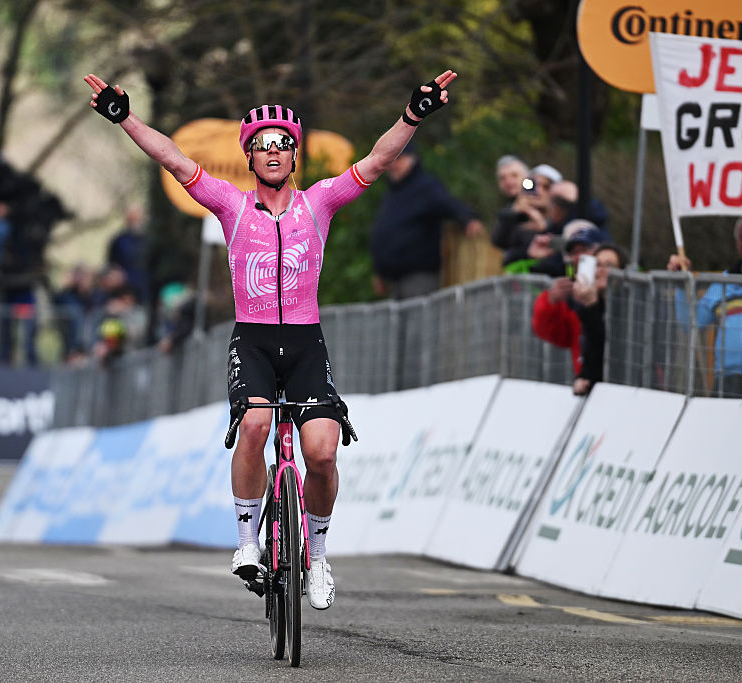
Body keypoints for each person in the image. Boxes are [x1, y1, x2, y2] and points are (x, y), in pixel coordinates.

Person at [84, 67, 458, 609]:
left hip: (306, 343)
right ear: (250, 157)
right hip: (254, 342)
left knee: (323, 454)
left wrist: (412, 116)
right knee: (255, 422)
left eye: (284, 144)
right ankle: (245, 543)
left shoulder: (320, 204)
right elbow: (173, 159)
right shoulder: (231, 206)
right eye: (263, 146)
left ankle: (320, 556)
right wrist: (127, 120)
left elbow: (377, 161)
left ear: (294, 155)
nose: (275, 152)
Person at [667, 217, 742, 397]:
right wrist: (681, 286)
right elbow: (690, 323)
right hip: (727, 382)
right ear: (737, 243)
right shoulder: (723, 282)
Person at [368, 142, 483, 299]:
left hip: (419, 275)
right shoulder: (393, 192)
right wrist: (380, 271)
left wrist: (468, 219)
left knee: (418, 321)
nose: (393, 165)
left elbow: (448, 204)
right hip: (395, 278)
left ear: (412, 159)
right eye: (390, 160)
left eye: (398, 159)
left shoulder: (425, 186)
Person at [532, 241, 629, 395]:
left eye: (609, 266)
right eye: (597, 265)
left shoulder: (631, 307)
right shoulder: (583, 305)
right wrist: (550, 300)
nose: (601, 270)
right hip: (597, 392)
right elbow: (587, 348)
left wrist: (591, 306)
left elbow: (611, 346)